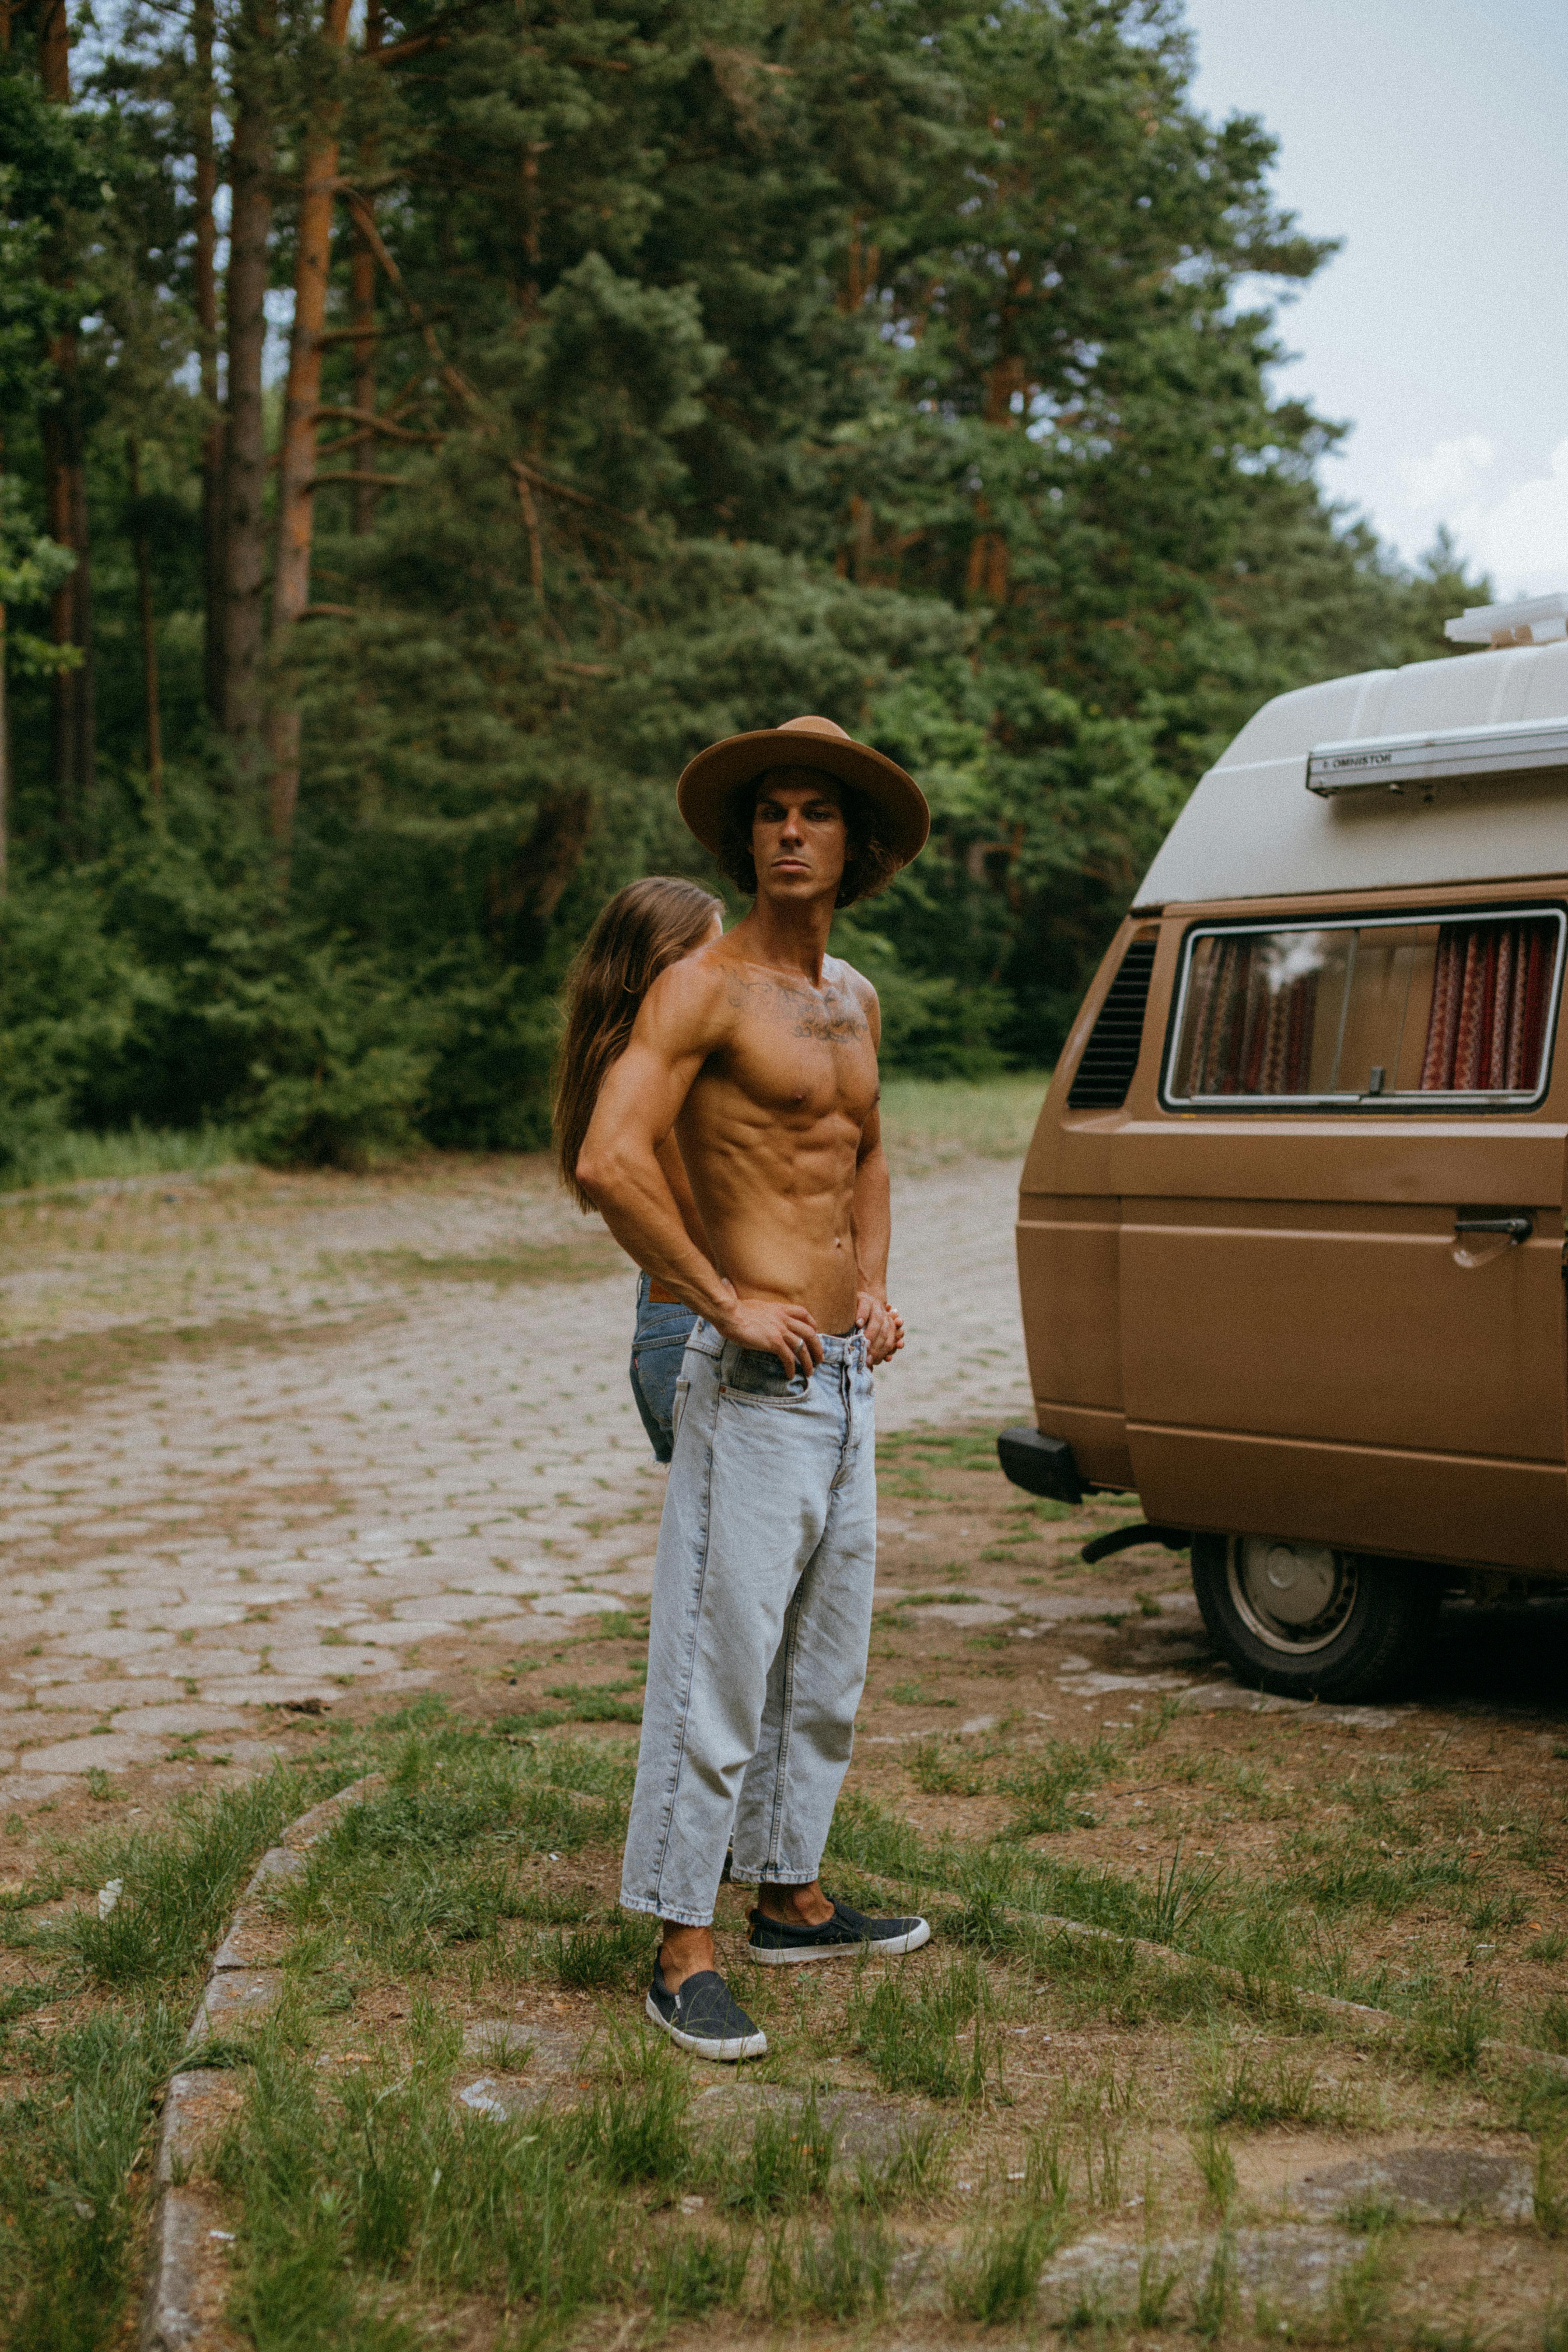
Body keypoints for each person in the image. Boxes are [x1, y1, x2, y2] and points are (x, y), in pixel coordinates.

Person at [576, 713, 931, 2063]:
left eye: (817, 813)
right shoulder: (705, 990)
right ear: (749, 840)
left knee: (824, 1665)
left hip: (845, 1381)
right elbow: (612, 1157)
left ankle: (791, 1894)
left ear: (855, 846)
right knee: (715, 1672)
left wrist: (877, 1288)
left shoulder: (856, 998)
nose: (791, 831)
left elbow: (869, 1151)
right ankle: (681, 1943)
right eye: (772, 812)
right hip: (752, 1381)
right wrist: (720, 1299)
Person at [553, 877, 723, 1460]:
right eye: (709, 958)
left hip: (670, 1317)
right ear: (663, 965)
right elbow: (706, 1220)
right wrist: (739, 1306)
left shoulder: (616, 1067)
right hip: (700, 1325)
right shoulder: (660, 1080)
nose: (722, 977)